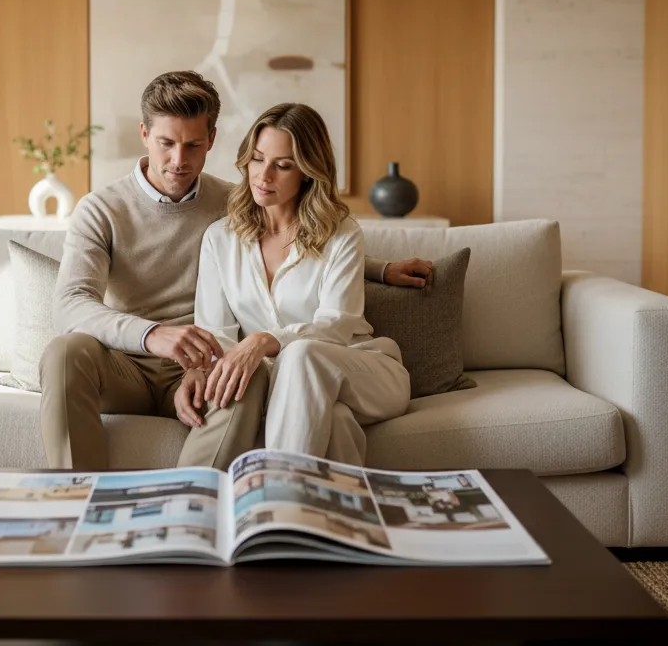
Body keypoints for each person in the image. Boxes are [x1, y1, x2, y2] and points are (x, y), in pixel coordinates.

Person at [40, 71, 431, 471]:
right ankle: (76, 496)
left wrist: (378, 269)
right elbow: (71, 304)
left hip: (212, 359)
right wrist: (152, 335)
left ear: (212, 139)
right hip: (130, 360)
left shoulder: (237, 200)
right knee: (65, 351)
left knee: (257, 376)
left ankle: (193, 503)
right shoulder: (105, 210)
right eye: (166, 143)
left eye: (193, 144)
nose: (179, 160)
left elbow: (303, 239)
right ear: (144, 134)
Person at [189, 102, 412, 465]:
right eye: (258, 159)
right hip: (287, 387)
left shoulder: (341, 235)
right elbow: (217, 334)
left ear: (307, 172)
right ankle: (338, 511)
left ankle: (277, 493)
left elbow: (336, 325)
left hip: (363, 371)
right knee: (336, 421)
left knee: (301, 352)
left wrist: (266, 339)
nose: (264, 176)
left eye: (283, 165)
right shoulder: (220, 239)